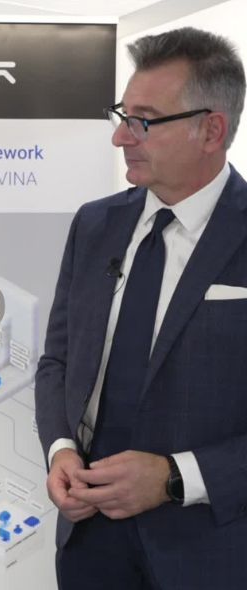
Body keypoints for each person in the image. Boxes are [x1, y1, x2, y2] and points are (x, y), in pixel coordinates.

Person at [35, 27, 247, 590]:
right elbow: (58, 361)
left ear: (211, 130)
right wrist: (61, 450)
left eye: (143, 121)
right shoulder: (95, 224)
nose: (120, 137)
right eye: (122, 115)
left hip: (210, 552)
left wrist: (176, 477)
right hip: (88, 544)